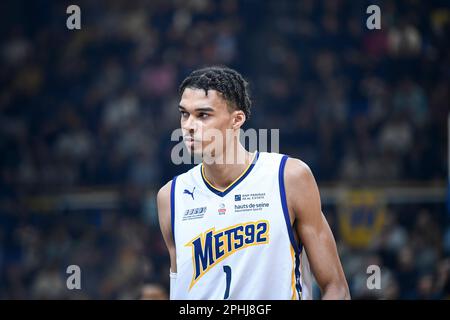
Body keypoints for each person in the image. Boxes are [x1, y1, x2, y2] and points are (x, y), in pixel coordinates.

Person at [157, 66, 350, 300]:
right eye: (184, 114)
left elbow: (335, 287)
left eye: (203, 115)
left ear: (236, 119)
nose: (188, 125)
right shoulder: (170, 196)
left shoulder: (288, 178)